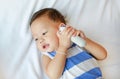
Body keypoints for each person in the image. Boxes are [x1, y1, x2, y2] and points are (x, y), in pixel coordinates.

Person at [30, 8, 107, 79]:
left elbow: (103, 55)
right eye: (36, 39)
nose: (40, 40)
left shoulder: (76, 42)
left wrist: (85, 41)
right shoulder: (48, 56)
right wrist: (62, 48)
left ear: (61, 28)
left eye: (44, 33)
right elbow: (53, 75)